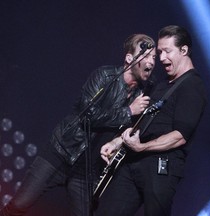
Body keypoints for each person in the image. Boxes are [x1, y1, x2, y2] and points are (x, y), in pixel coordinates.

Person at [0, 33, 156, 216]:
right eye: (145, 55)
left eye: (154, 57)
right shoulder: (105, 76)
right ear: (129, 58)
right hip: (60, 152)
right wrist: (128, 112)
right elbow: (88, 115)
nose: (151, 62)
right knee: (19, 204)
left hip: (87, 170)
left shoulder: (143, 96)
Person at [95, 25, 207, 216]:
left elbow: (180, 136)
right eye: (159, 52)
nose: (161, 58)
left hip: (160, 167)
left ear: (184, 50)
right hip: (132, 161)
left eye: (167, 51)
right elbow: (141, 122)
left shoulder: (192, 86)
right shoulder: (161, 84)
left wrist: (143, 147)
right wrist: (116, 142)